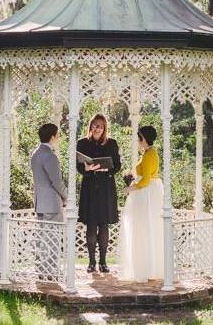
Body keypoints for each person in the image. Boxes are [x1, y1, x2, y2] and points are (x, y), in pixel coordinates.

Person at [118, 125, 164, 283]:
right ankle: (145, 266)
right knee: (143, 229)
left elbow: (145, 180)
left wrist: (130, 188)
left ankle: (146, 268)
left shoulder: (150, 154)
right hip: (145, 193)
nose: (138, 142)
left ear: (144, 139)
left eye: (139, 139)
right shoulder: (148, 153)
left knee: (144, 229)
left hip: (146, 195)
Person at [76, 113, 121, 273]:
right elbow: (78, 166)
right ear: (90, 126)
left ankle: (103, 262)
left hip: (106, 188)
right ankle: (91, 262)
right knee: (91, 225)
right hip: (89, 187)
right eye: (95, 125)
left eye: (100, 126)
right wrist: (86, 169)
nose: (97, 129)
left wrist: (106, 169)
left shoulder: (112, 143)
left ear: (104, 128)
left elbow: (117, 166)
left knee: (104, 225)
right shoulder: (82, 143)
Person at [30, 122, 66, 222]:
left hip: (40, 204)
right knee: (53, 237)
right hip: (52, 205)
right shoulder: (50, 156)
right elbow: (57, 181)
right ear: (52, 137)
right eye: (57, 134)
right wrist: (67, 196)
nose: (58, 137)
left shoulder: (35, 154)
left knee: (42, 237)